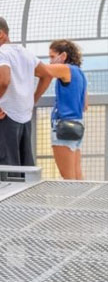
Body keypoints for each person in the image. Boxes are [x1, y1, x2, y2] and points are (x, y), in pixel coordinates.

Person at [0, 17, 52, 168]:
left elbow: (3, 80)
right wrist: (32, 100)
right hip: (25, 118)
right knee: (25, 170)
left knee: (7, 172)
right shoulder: (25, 53)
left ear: (1, 33)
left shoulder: (0, 54)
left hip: (6, 117)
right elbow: (47, 75)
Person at [37, 39, 88, 179]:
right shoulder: (80, 73)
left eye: (53, 56)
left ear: (63, 56)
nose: (50, 60)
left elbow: (43, 70)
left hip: (63, 126)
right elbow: (85, 105)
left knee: (68, 180)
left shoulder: (65, 69)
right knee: (78, 177)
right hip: (77, 125)